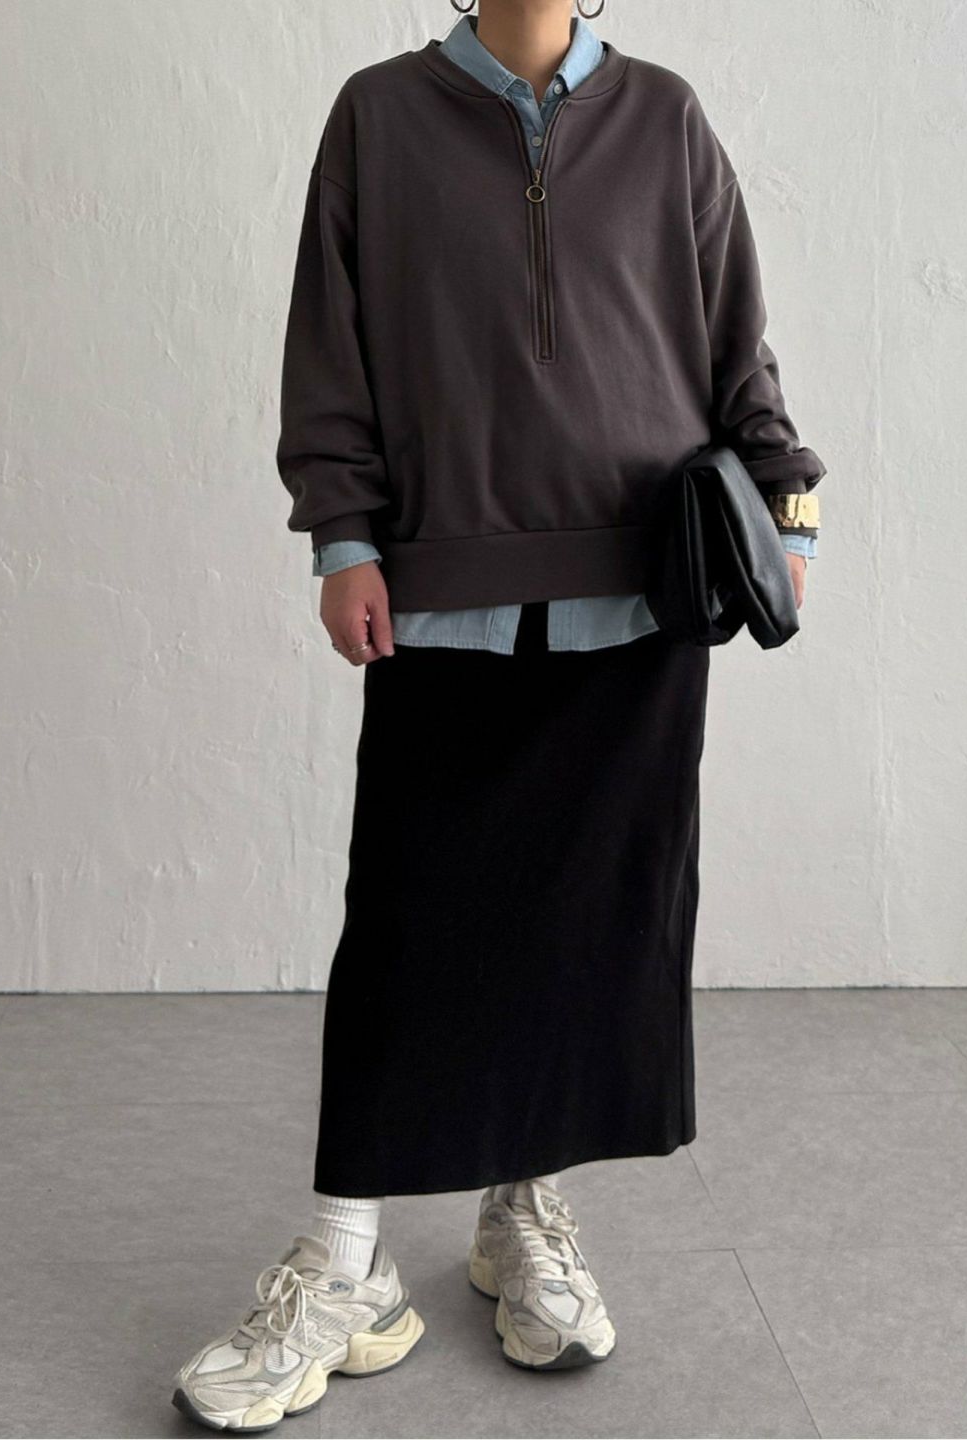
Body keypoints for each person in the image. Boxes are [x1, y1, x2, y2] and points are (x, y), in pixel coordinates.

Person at [173, 0, 824, 1430]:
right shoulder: (378, 117)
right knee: (411, 925)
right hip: (444, 592)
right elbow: (331, 344)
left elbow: (736, 339)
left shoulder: (666, 117)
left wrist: (788, 503)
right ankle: (349, 1261)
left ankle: (520, 1212)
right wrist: (344, 536)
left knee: (588, 923)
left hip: (644, 595)